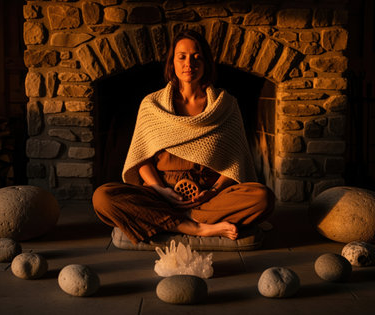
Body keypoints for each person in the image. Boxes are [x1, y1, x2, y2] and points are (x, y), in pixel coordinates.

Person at [92, 30, 275, 245]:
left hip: (209, 197)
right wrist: (160, 189)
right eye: (182, 57)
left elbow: (235, 164)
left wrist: (212, 192)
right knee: (103, 198)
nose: (190, 63)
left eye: (197, 57)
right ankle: (196, 228)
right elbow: (141, 160)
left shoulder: (225, 106)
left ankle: (169, 220)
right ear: (173, 63)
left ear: (206, 63)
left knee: (263, 198)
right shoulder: (152, 105)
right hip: (160, 194)